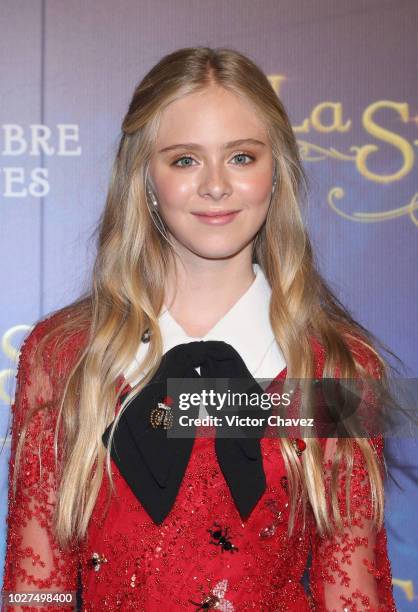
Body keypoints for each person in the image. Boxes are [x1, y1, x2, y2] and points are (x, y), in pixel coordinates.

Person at [2, 47, 398, 611]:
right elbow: (35, 591)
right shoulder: (66, 356)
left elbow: (351, 592)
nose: (216, 185)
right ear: (144, 176)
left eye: (241, 157)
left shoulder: (337, 367)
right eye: (185, 159)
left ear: (276, 170)